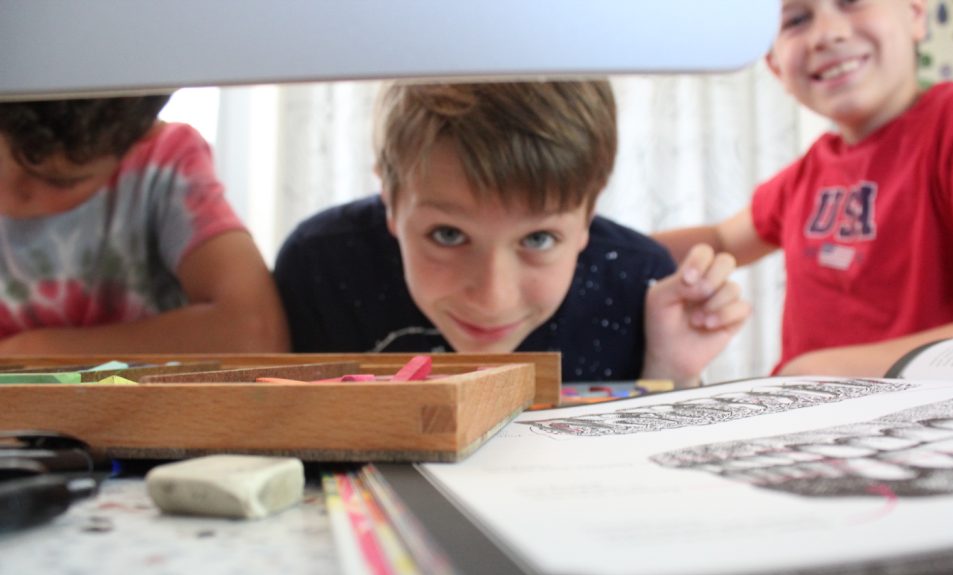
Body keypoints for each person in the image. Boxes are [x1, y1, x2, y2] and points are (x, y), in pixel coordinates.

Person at [274, 80, 750, 386]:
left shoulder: (637, 284)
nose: (492, 299)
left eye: (538, 239)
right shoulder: (322, 268)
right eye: (447, 234)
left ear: (588, 213)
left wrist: (671, 371)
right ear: (391, 202)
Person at [654, 0, 953, 377]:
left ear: (915, 14)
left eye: (851, 2)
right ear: (775, 68)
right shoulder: (811, 170)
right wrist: (597, 239)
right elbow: (722, 239)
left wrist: (808, 374)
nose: (826, 34)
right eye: (796, 20)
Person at [0, 95, 289, 354]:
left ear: (140, 139)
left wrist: (33, 350)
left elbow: (254, 332)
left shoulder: (163, 163)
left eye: (60, 181)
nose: (9, 187)